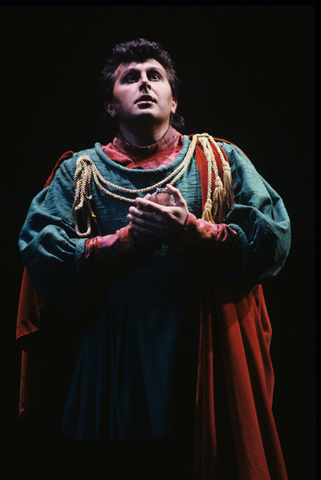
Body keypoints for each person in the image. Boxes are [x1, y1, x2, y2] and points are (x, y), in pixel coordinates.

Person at [17, 38, 291, 480]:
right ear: (111, 105)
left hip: (203, 343)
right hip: (115, 353)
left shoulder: (219, 159)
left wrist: (192, 231)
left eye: (155, 76)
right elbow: (41, 253)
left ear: (174, 99)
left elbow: (273, 239)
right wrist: (128, 243)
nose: (144, 83)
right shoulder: (80, 170)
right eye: (130, 78)